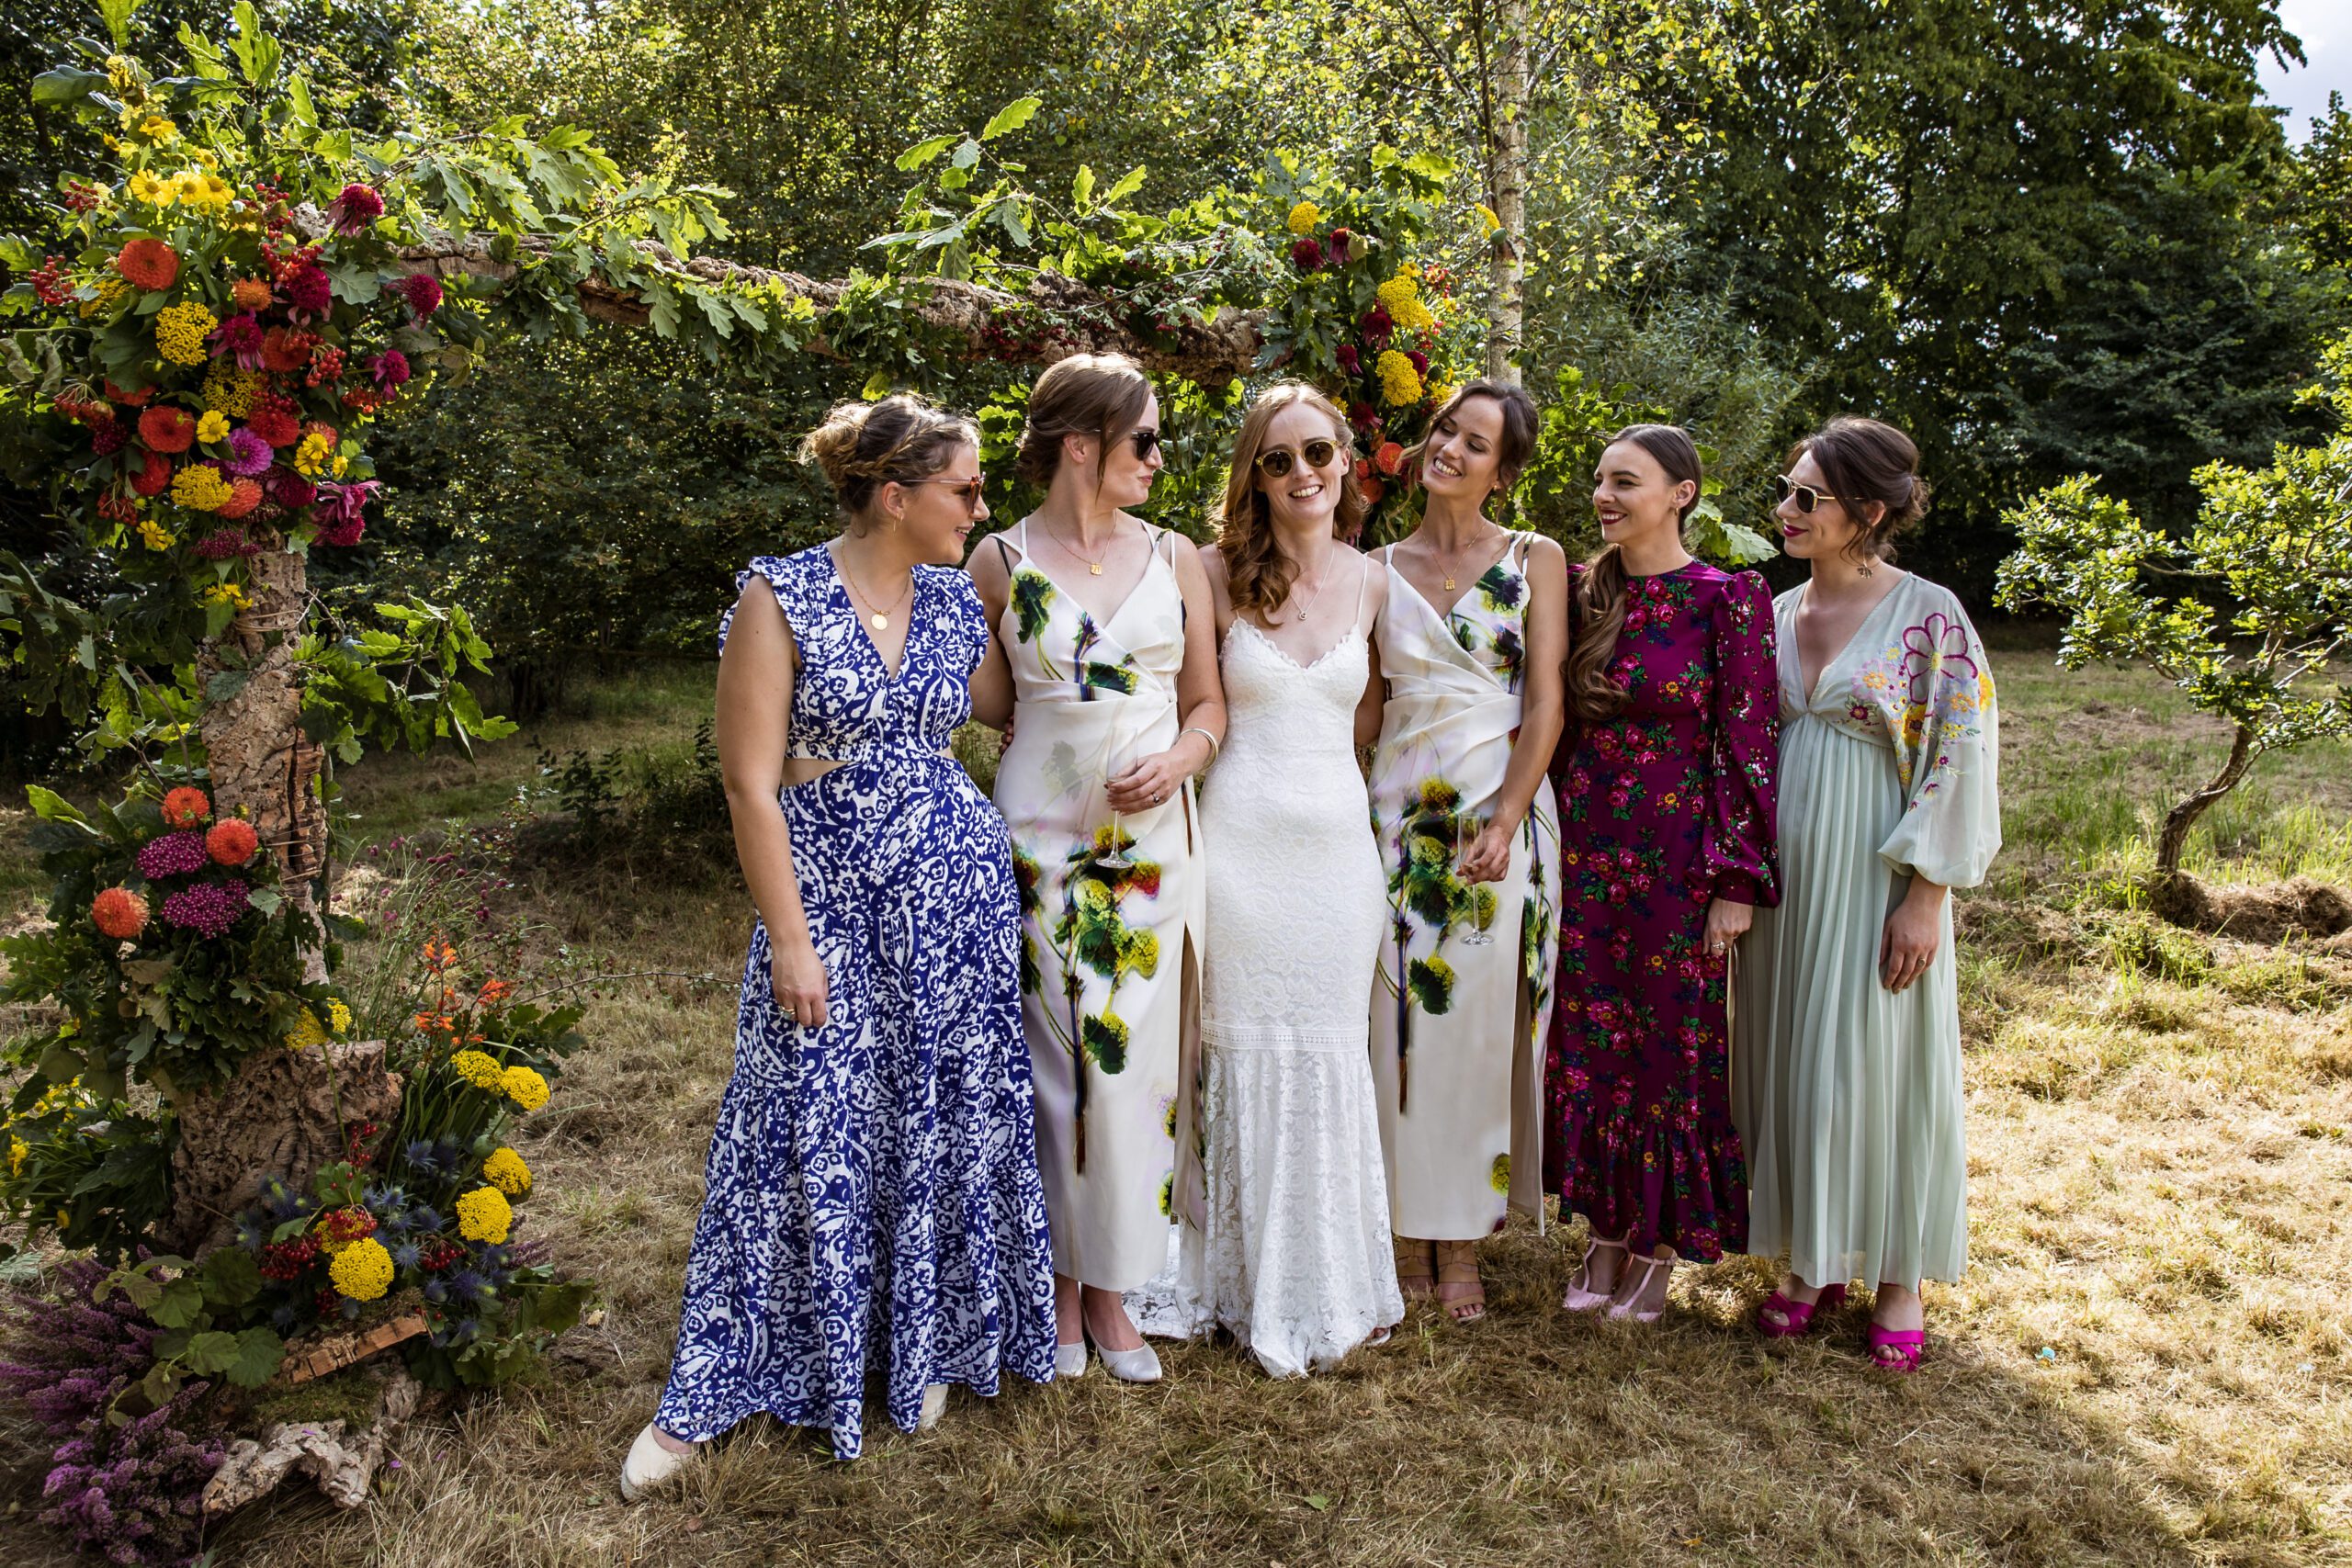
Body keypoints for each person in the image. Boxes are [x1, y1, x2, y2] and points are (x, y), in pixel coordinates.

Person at [623, 394, 1056, 1495]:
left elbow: (1026, 710)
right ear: (894, 494)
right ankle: (719, 1382)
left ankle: (926, 1342)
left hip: (955, 907)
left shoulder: (960, 603)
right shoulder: (782, 597)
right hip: (829, 908)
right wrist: (789, 943)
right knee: (801, 1114)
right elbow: (748, 783)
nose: (981, 505)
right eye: (964, 488)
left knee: (938, 1111)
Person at [969, 354, 1225, 1384]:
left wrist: (1173, 759)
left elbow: (1210, 704)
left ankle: (1115, 1294)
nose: (1161, 460)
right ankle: (1057, 1294)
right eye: (1145, 441)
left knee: (1128, 1069)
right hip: (1034, 840)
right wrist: (1064, 730)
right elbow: (986, 701)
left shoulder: (1176, 558)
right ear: (1082, 446)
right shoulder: (995, 557)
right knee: (1050, 1067)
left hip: (1152, 851)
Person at [1736, 416, 2000, 1373]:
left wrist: (1926, 894)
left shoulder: (1929, 615)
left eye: (1808, 497)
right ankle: (1812, 1260)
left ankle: (1898, 1272)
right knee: (1796, 1059)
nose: (1786, 510)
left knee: (1874, 1063)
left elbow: (1959, 754)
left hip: (1875, 867)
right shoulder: (1772, 612)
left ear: (1869, 512)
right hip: (1783, 881)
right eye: (1786, 489)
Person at [1161, 379, 1404, 1375]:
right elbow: (1191, 704)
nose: (1301, 472)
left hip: (1338, 857)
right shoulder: (1209, 573)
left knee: (1326, 1053)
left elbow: (1375, 720)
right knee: (1237, 1051)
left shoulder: (1377, 581)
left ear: (1346, 460)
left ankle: (1327, 1281)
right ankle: (1227, 1280)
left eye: (1317, 452)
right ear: (1252, 477)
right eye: (1278, 458)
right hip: (1241, 846)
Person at [1546, 424, 1780, 1325]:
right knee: (1593, 1045)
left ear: (1682, 492)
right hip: (1586, 846)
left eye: (1626, 482)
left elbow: (1746, 745)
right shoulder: (1578, 590)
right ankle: (1602, 1234)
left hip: (1681, 859)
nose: (1604, 496)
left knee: (1668, 1052)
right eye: (1600, 480)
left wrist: (1734, 878)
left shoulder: (1727, 599)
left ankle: (1656, 1246)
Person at [1365, 381, 1566, 1323]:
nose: (1450, 447)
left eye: (1475, 442)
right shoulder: (1371, 567)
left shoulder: (1536, 560)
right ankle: (1405, 1232)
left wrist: (1505, 816)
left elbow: (1547, 703)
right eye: (1446, 428)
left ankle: (1464, 1244)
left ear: (1504, 470)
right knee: (1395, 1027)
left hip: (1496, 811)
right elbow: (1362, 710)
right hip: (1390, 818)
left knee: (1475, 1031)